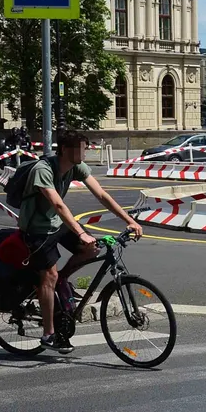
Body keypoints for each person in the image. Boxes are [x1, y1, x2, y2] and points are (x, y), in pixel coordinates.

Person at [17, 130, 143, 354]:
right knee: (50, 275)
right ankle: (48, 333)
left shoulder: (77, 167)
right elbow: (58, 205)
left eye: (84, 148)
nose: (82, 152)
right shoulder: (43, 170)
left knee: (91, 249)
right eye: (78, 148)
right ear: (64, 149)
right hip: (37, 229)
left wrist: (130, 221)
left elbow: (102, 195)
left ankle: (62, 281)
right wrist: (81, 232)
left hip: (56, 223)